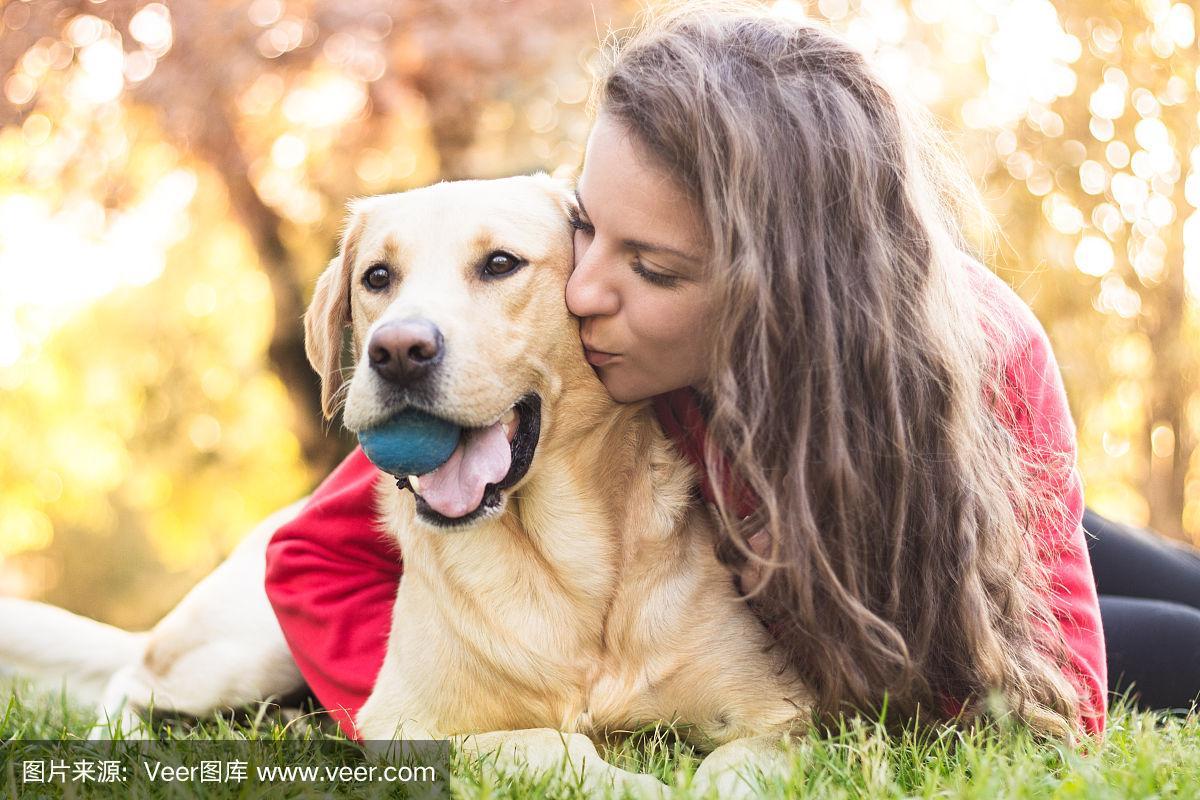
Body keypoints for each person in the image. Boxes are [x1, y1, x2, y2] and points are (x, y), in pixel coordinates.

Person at [264, 2, 1193, 744]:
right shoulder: (579, 362)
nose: (584, 288)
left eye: (653, 268)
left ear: (770, 294)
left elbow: (1065, 713)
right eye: (589, 228)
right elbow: (313, 555)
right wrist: (441, 724)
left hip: (964, 514)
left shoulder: (985, 355)